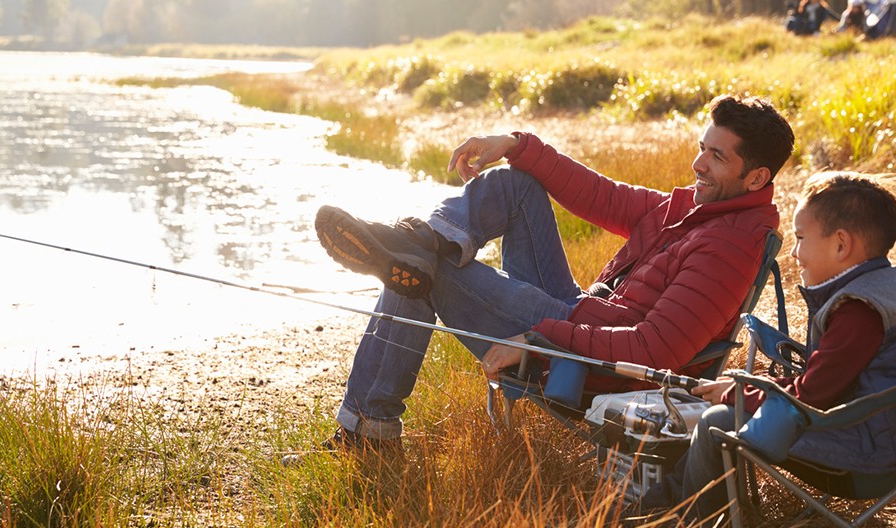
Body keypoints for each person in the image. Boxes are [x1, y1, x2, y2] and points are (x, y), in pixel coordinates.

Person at [310, 95, 795, 453]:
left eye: (717, 157)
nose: (698, 164)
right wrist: (514, 144)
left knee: (422, 273)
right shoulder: (695, 208)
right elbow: (599, 195)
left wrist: (541, 334)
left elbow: (655, 351)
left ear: (756, 178)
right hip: (585, 312)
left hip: (590, 364)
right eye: (701, 148)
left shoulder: (729, 246)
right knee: (514, 184)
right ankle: (422, 242)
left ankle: (366, 433)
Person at [652, 171, 896, 520]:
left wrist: (737, 394)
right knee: (727, 409)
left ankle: (687, 517)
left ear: (841, 244)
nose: (793, 252)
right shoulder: (886, 287)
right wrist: (743, 387)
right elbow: (831, 383)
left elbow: (811, 397)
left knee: (717, 421)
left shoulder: (858, 310)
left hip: (871, 459)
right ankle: (669, 499)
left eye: (800, 238)